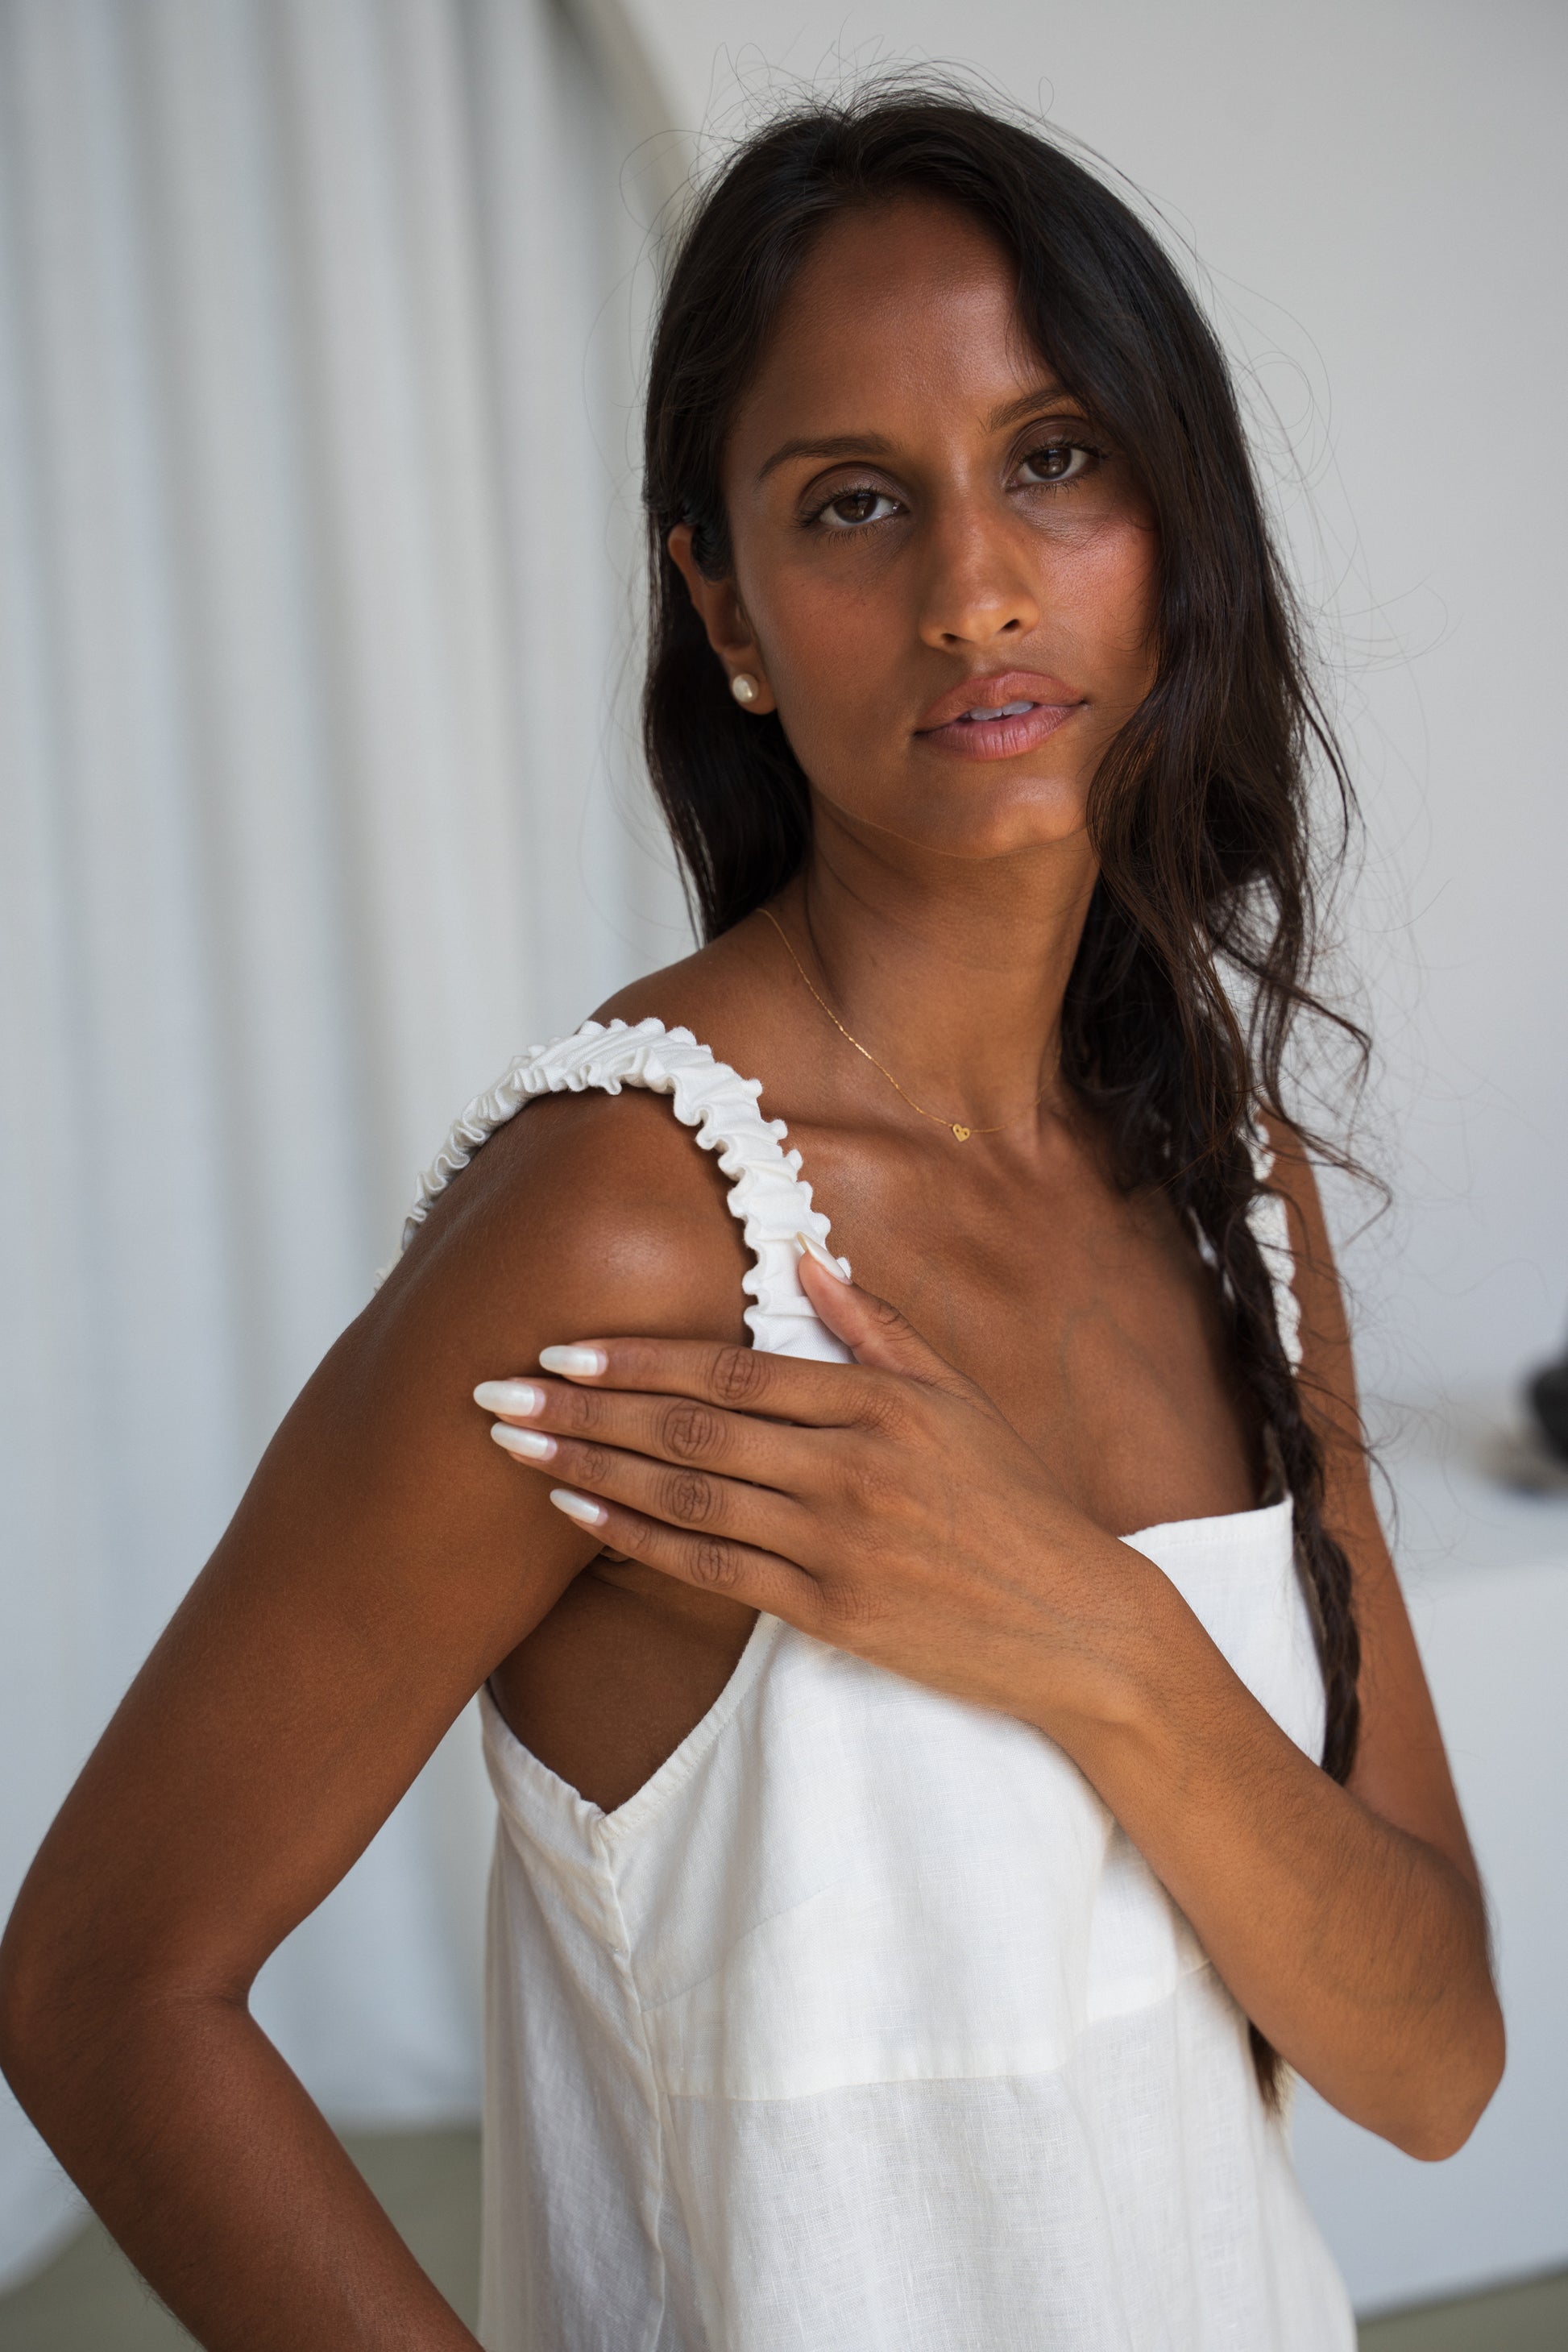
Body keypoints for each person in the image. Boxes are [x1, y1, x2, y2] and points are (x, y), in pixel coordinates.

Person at [0, 86, 1503, 2352]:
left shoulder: (1229, 1193)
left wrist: (1081, 1639)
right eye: (854, 505)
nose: (974, 585)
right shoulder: (631, 1227)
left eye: (1058, 459)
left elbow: (1427, 2063)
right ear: (722, 600)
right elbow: (112, 1985)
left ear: (1175, 525)